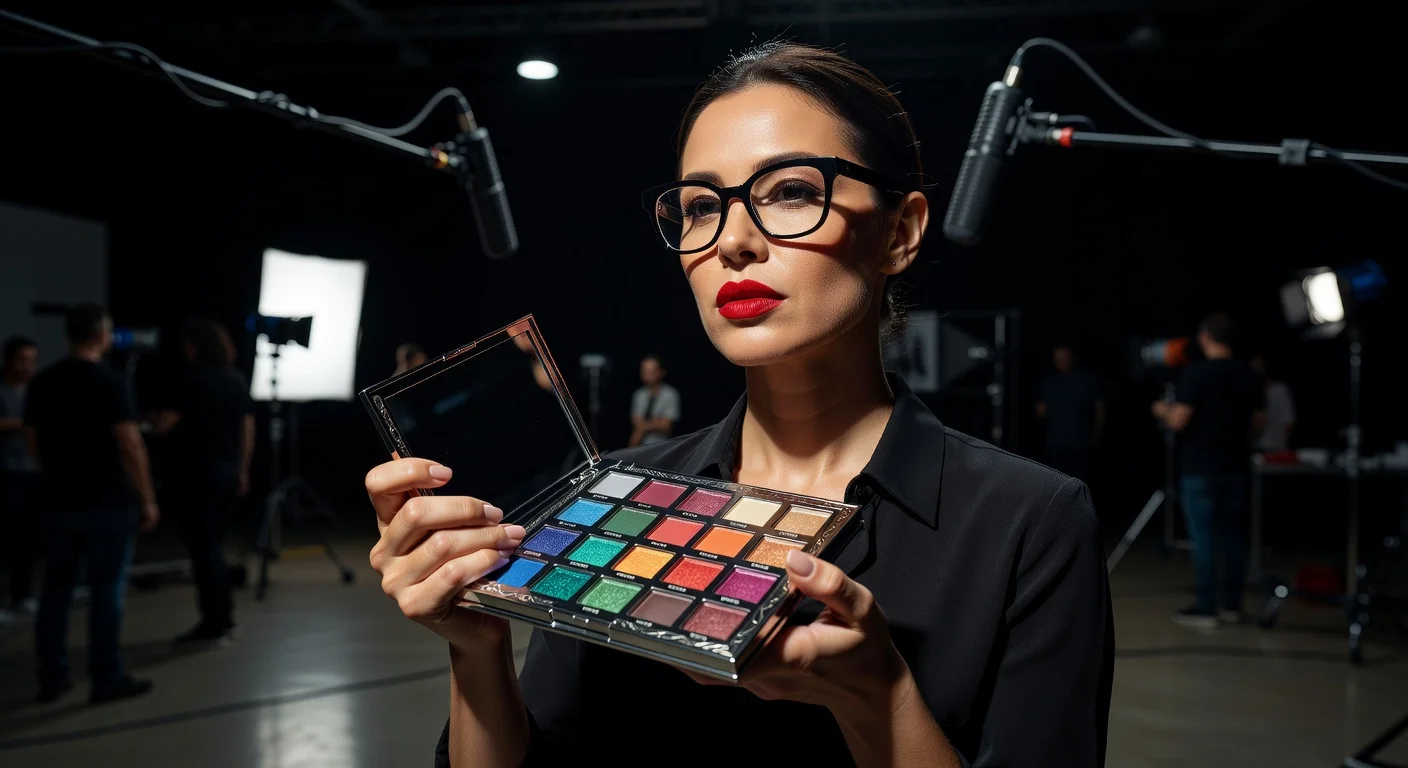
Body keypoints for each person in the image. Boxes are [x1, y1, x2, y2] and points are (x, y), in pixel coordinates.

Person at [364, 43, 1112, 767]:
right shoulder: (616, 491)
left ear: (901, 231)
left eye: (791, 191)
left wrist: (877, 702)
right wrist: (477, 648)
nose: (734, 241)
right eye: (699, 207)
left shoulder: (1029, 522)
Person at [26, 304, 158, 703]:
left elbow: (31, 441)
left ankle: (52, 677)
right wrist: (147, 497)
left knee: (56, 592)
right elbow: (130, 444)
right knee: (106, 592)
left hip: (56, 501)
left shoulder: (43, 381)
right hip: (107, 502)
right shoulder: (111, 382)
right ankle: (106, 677)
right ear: (101, 334)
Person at [1152, 313, 1266, 629]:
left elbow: (1179, 421)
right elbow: (1258, 424)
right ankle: (1232, 604)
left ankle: (1206, 606)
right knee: (1233, 536)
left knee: (1205, 538)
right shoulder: (1249, 374)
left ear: (1206, 337)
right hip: (1237, 465)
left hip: (1201, 466)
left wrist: (1162, 411)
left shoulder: (1197, 374)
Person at [151, 319, 253, 647]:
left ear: (195, 346)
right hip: (226, 472)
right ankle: (222, 618)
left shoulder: (191, 381)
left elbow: (165, 425)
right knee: (214, 548)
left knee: (204, 550)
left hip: (197, 475)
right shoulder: (235, 380)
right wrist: (243, 468)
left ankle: (214, 622)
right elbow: (247, 429)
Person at [1, 336, 41, 616]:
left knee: (27, 539)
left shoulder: (36, 390)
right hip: (6, 472)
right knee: (5, 536)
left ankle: (23, 595)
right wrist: (22, 423)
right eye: (22, 359)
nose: (27, 365)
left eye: (32, 359)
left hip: (33, 472)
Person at [1035, 343, 1105, 482]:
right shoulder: (1048, 382)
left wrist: (1096, 435)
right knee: (1055, 483)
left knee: (1079, 483)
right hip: (1054, 443)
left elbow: (1100, 410)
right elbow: (1040, 412)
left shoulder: (1087, 379)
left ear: (1073, 357)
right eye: (1057, 359)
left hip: (1080, 443)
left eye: (1064, 358)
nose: (1061, 362)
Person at [627, 355, 681, 446]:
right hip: (639, 445)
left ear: (661, 372)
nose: (646, 375)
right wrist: (655, 423)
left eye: (651, 372)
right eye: (644, 371)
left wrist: (644, 426)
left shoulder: (670, 394)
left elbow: (666, 425)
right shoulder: (639, 394)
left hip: (661, 445)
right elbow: (636, 421)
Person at [1250, 354, 1295, 453]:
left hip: (1275, 449)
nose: (1258, 372)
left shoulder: (1279, 390)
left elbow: (1288, 423)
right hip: (1255, 449)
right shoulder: (1249, 391)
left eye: (1260, 368)